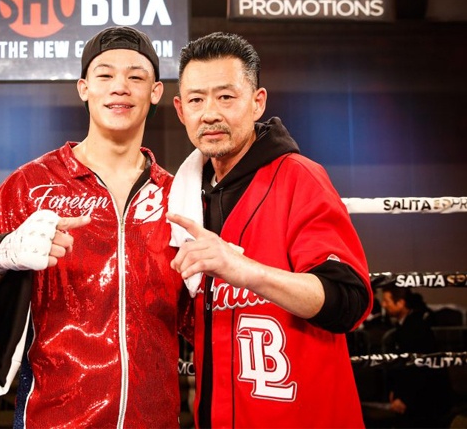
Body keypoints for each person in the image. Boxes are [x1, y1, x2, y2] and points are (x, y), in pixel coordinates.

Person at [0, 26, 191, 428]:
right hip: (53, 415)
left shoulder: (177, 195)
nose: (120, 87)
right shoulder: (33, 183)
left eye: (136, 76)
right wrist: (3, 253)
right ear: (84, 88)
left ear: (156, 92)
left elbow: (198, 319)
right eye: (105, 75)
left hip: (155, 416)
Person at [167, 32, 373, 428]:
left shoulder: (300, 178)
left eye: (226, 97)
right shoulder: (187, 195)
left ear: (257, 101)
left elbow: (348, 300)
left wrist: (248, 273)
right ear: (180, 109)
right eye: (196, 99)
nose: (210, 112)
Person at [380, 284, 452, 427]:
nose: (383, 304)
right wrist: (395, 391)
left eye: (387, 301)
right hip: (417, 398)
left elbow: (421, 367)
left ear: (400, 303)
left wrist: (405, 398)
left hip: (424, 401)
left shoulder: (415, 328)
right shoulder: (406, 325)